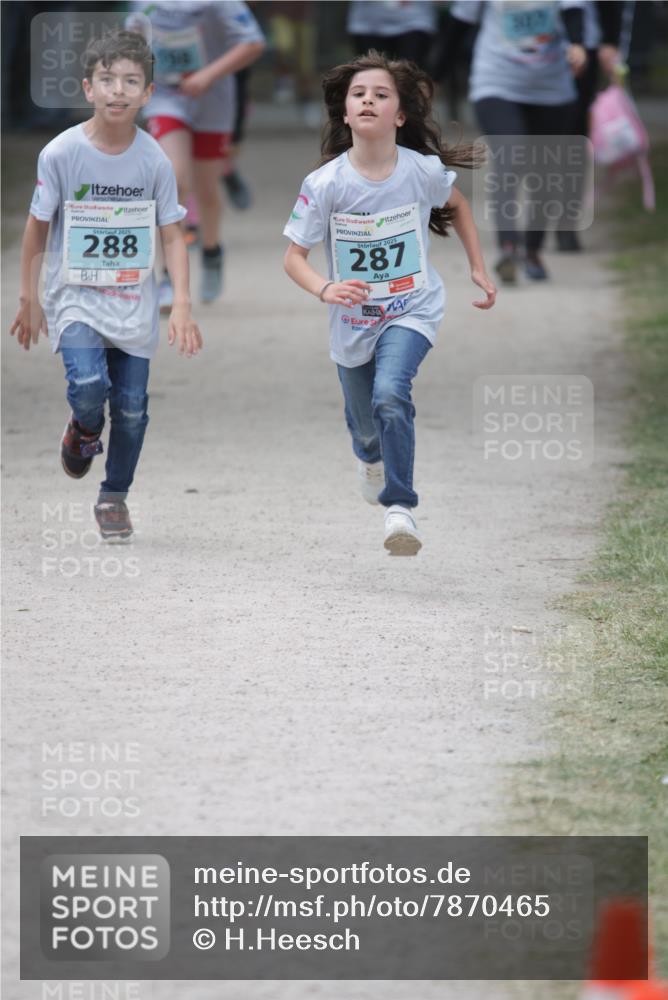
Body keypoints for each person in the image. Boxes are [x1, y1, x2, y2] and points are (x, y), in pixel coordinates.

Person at [283, 50, 496, 556]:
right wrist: (325, 288)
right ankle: (370, 456)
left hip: (412, 309)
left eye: (381, 94)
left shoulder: (420, 171)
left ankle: (400, 508)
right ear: (345, 112)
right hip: (353, 321)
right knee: (365, 423)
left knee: (390, 394)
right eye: (359, 94)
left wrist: (477, 265)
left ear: (400, 115)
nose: (368, 101)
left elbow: (458, 204)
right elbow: (293, 257)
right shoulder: (326, 184)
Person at [9, 29, 202, 540]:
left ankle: (113, 497)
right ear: (88, 88)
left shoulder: (154, 160)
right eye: (107, 79)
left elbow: (174, 235)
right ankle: (83, 428)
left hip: (134, 306)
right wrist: (29, 297)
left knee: (134, 411)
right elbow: (37, 226)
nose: (118, 90)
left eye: (131, 81)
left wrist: (180, 302)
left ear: (147, 94)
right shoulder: (61, 153)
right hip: (75, 299)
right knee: (90, 386)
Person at [127, 1, 265, 308]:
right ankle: (168, 278)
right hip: (165, 96)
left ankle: (212, 251)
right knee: (173, 179)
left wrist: (208, 75)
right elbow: (131, 41)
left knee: (207, 193)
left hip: (212, 98)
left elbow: (253, 42)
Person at [444, 0, 587, 283]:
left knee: (544, 172)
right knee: (511, 156)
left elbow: (574, 10)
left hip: (552, 89)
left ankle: (532, 250)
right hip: (497, 82)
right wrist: (433, 75)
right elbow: (459, 24)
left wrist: (578, 44)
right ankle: (508, 247)